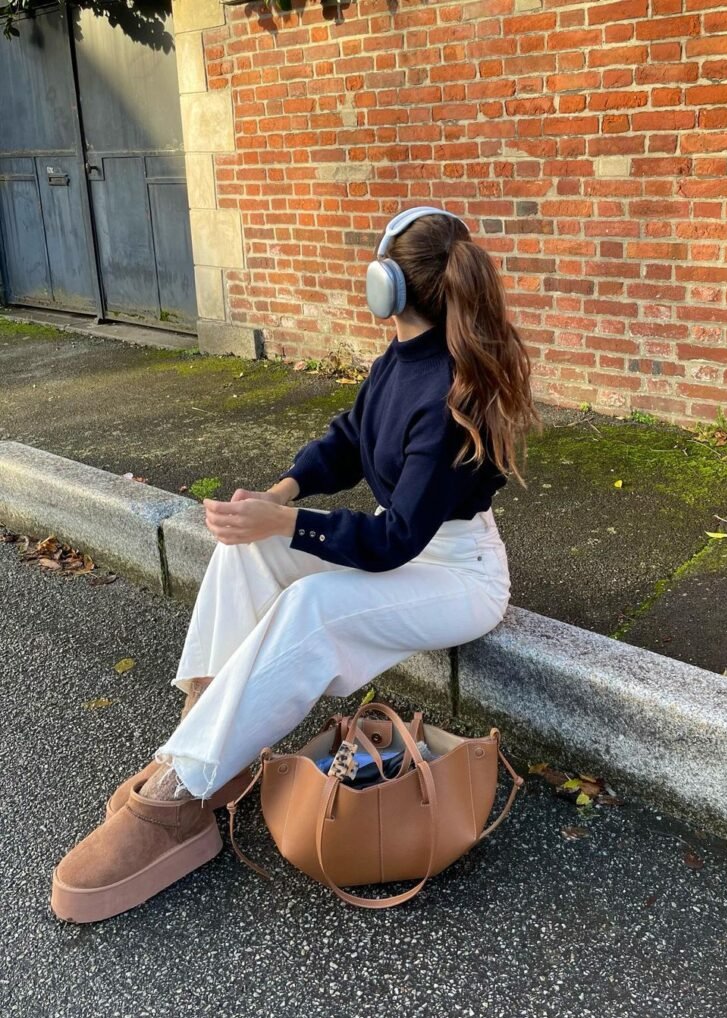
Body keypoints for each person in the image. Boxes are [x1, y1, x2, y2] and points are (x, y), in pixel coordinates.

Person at [50, 207, 542, 923]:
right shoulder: (400, 360)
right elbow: (349, 438)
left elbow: (394, 540)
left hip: (455, 577)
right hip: (404, 546)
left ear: (386, 284)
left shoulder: (445, 391)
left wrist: (290, 522)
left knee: (310, 610)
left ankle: (177, 792)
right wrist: (281, 495)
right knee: (246, 548)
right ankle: (206, 752)